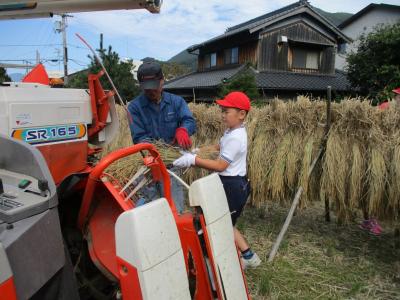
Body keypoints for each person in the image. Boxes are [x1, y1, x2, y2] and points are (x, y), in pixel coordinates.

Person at [172, 91, 261, 269]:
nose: (222, 115)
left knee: (219, 223)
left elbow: (221, 165)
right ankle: (249, 256)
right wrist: (197, 151)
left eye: (226, 111)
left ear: (241, 114)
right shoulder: (231, 132)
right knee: (224, 222)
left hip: (233, 186)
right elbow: (218, 147)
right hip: (230, 184)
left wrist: (193, 161)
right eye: (222, 111)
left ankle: (224, 262)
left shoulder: (236, 137)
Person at [127, 60, 196, 213]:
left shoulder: (176, 102)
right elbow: (139, 137)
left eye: (154, 87)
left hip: (172, 166)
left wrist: (183, 129)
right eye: (146, 89)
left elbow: (189, 121)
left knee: (175, 209)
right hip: (149, 166)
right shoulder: (135, 107)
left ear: (162, 81)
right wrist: (157, 154)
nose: (151, 92)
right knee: (152, 209)